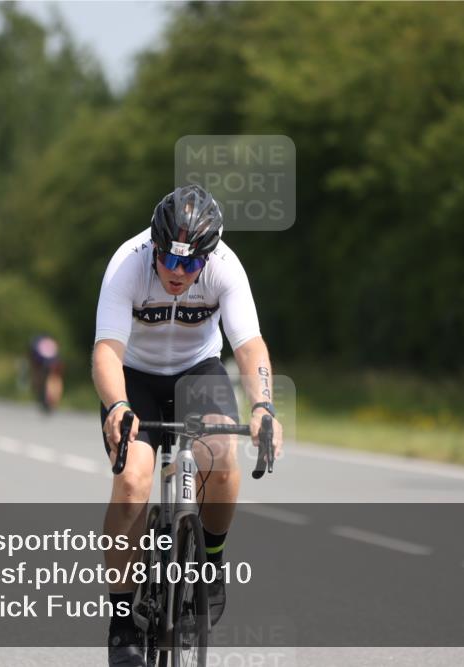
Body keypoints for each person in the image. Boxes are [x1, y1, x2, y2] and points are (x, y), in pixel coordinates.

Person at [93, 184, 284, 666]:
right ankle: (121, 620)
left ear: (208, 256)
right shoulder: (127, 264)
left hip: (198, 372)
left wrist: (263, 405)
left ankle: (211, 563)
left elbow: (248, 346)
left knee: (222, 457)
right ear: (156, 249)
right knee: (134, 481)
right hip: (133, 377)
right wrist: (117, 405)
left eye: (191, 264)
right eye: (171, 262)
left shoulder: (224, 267)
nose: (179, 274)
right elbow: (106, 352)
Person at [29, 334, 64, 413]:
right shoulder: (51, 343)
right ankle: (52, 400)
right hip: (52, 363)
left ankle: (45, 398)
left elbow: (34, 360)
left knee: (41, 379)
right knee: (54, 381)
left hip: (42, 364)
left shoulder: (37, 344)